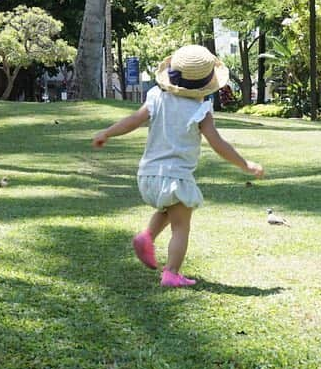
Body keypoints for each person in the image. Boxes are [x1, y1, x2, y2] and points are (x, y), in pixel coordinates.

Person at [92, 45, 265, 287]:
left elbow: (132, 121)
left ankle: (146, 237)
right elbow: (217, 143)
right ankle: (171, 272)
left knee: (169, 208)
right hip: (176, 177)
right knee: (181, 226)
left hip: (148, 175)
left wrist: (106, 133)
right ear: (206, 84)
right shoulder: (200, 109)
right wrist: (245, 164)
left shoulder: (155, 96)